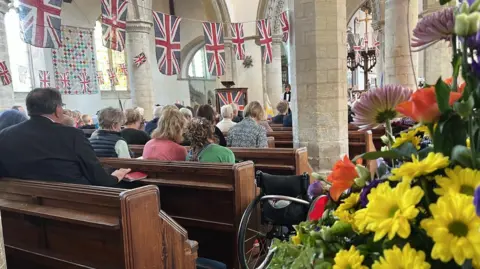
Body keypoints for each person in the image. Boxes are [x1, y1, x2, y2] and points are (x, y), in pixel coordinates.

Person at [0, 87, 130, 186]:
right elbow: (97, 177)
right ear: (57, 110)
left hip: (19, 204)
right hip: (71, 202)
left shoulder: (5, 135)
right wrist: (116, 176)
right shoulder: (72, 135)